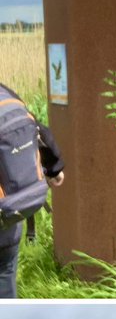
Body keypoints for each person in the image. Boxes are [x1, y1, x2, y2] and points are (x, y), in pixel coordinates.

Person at [0, 84, 64, 299]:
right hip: (8, 212)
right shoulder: (3, 93)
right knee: (5, 274)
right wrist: (54, 168)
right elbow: (35, 128)